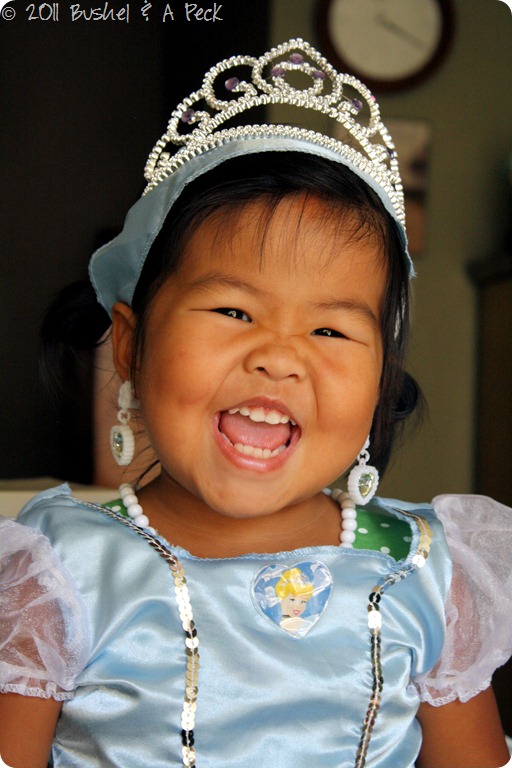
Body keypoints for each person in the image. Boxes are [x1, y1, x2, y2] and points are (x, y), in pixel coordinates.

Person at [0, 38, 511, 768]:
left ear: (379, 383)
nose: (279, 356)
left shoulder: (425, 572)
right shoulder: (55, 573)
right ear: (131, 346)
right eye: (233, 311)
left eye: (331, 330)